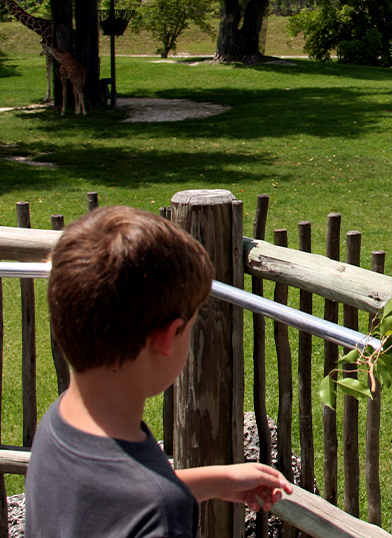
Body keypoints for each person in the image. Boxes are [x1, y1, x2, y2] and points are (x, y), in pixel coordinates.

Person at [25, 205, 292, 537]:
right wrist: (171, 497)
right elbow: (139, 502)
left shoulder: (60, 424)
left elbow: (112, 500)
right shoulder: (161, 516)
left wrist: (218, 480)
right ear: (168, 337)